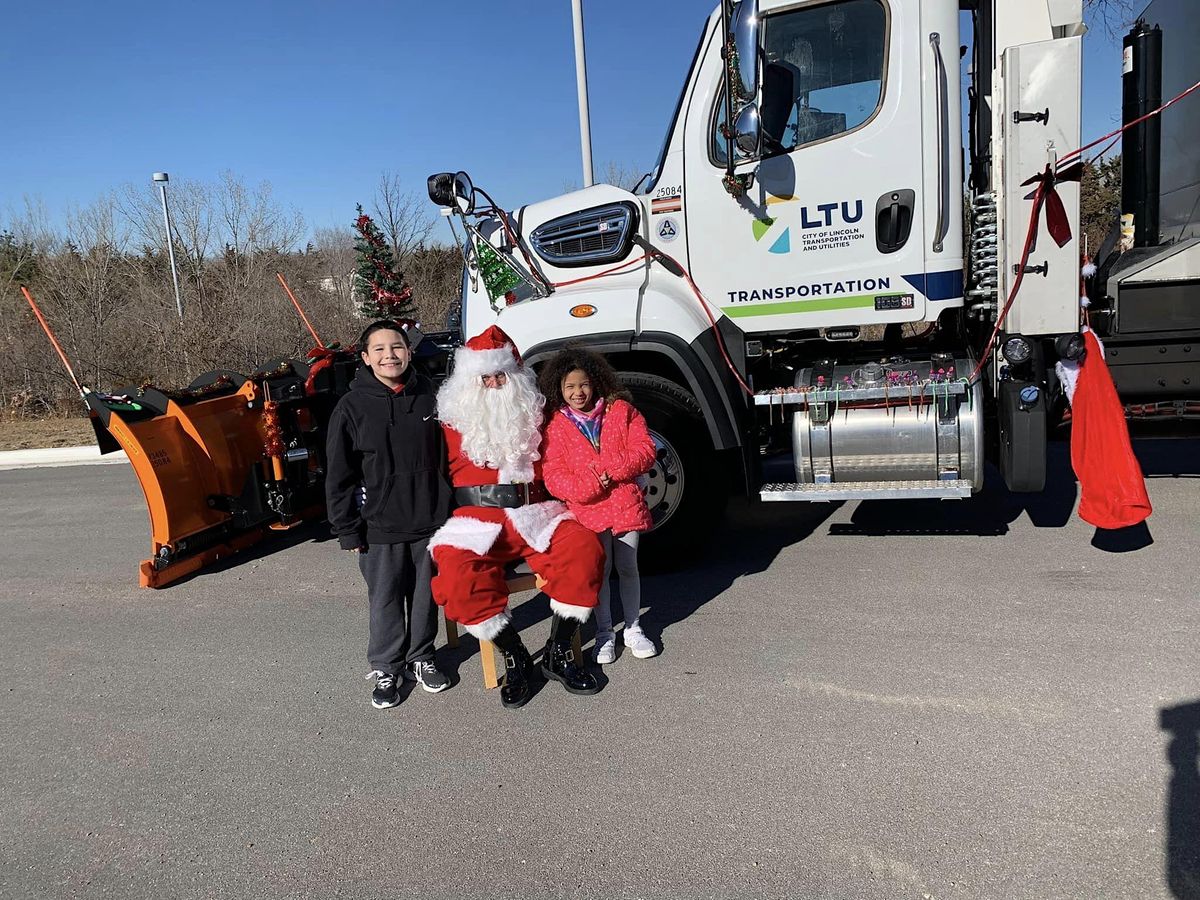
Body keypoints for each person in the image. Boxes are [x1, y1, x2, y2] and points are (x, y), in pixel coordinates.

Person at [429, 325, 605, 709]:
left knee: (583, 548)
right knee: (458, 574)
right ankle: (515, 654)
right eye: (485, 376)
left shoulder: (539, 415)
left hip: (538, 512)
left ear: (516, 377)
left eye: (501, 375)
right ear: (467, 381)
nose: (493, 384)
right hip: (477, 521)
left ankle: (559, 652)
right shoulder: (450, 422)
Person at [325, 319, 454, 709]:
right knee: (384, 599)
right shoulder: (350, 407)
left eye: (396, 347)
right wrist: (347, 528)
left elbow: (451, 458)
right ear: (365, 359)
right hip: (378, 524)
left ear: (409, 351)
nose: (389, 355)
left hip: (430, 518)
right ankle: (386, 666)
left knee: (424, 597)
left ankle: (421, 657)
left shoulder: (432, 396)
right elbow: (339, 473)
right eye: (379, 349)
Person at [539, 347, 658, 664]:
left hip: (624, 504)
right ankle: (605, 632)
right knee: (600, 572)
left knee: (628, 567)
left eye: (584, 384)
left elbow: (645, 450)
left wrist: (612, 471)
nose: (578, 392)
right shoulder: (556, 427)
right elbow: (553, 477)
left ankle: (633, 628)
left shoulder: (621, 411)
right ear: (559, 390)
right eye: (570, 387)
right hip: (588, 511)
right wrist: (591, 485)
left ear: (596, 382)